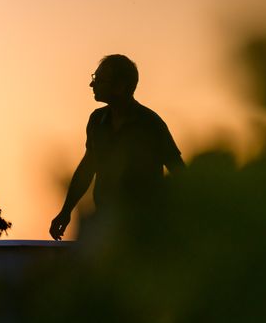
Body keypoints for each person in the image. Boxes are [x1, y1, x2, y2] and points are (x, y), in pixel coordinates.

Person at [49, 54, 185, 241]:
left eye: (99, 80)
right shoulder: (97, 121)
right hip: (106, 226)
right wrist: (66, 211)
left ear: (120, 86)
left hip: (144, 230)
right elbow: (88, 168)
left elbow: (179, 172)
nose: (92, 85)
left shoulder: (151, 124)